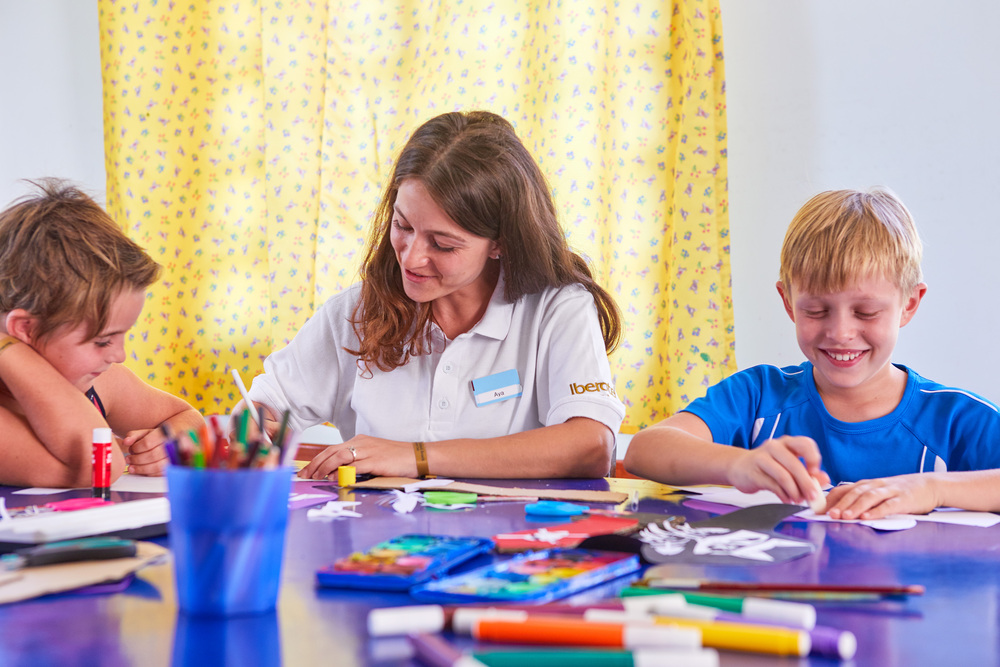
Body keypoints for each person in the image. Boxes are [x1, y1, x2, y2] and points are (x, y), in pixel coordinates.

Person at [240, 110, 625, 480]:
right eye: (402, 225)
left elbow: (591, 446)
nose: (410, 258)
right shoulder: (356, 312)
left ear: (500, 243)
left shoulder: (558, 308)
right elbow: (261, 413)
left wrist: (416, 457)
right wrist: (254, 428)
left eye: (442, 244)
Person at [624, 187, 1000, 520]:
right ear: (788, 302)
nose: (840, 333)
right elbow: (644, 450)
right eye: (816, 311)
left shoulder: (956, 418)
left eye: (866, 312)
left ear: (909, 304)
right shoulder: (757, 395)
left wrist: (932, 489)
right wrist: (739, 464)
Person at [0, 180, 205, 487]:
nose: (119, 355)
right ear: (25, 328)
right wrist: (8, 348)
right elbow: (100, 467)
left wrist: (169, 441)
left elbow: (188, 418)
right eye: (103, 341)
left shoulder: (100, 382)